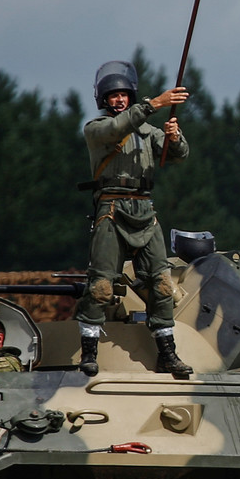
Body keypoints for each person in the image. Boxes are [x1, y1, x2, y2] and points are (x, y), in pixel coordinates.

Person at [74, 60, 194, 379]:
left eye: (124, 95)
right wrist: (156, 103)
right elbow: (117, 128)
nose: (119, 100)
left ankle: (167, 353)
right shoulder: (96, 129)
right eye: (113, 96)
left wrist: (174, 136)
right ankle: (89, 351)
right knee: (101, 285)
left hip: (145, 211)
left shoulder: (147, 131)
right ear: (103, 100)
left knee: (163, 283)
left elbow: (177, 156)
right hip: (111, 209)